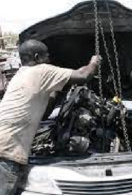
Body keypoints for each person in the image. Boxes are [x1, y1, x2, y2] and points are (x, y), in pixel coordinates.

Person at [0, 39, 101, 195]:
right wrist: (94, 62)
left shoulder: (22, 74)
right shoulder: (42, 70)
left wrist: (58, 88)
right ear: (37, 57)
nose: (49, 60)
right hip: (6, 155)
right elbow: (84, 75)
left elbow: (45, 114)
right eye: (46, 56)